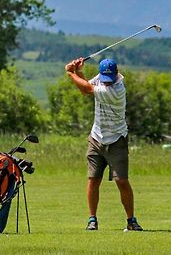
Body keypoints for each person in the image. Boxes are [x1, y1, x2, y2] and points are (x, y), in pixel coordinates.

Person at [65, 57, 143, 232]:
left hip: (117, 140)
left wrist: (70, 73)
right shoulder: (101, 79)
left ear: (116, 75)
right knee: (93, 180)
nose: (106, 83)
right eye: (104, 80)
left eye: (109, 81)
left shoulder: (117, 90)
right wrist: (79, 71)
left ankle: (131, 220)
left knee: (122, 181)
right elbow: (86, 87)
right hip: (96, 138)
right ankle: (92, 219)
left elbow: (86, 88)